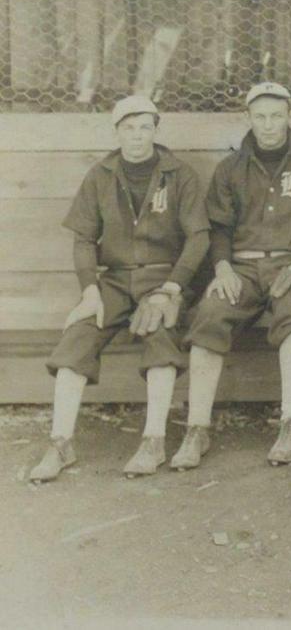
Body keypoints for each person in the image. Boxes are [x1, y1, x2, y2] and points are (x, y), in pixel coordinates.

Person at [30, 95, 209, 482]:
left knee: (160, 335)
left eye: (145, 127)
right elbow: (82, 240)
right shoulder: (100, 174)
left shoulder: (180, 173)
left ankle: (154, 439)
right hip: (113, 280)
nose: (137, 136)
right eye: (129, 128)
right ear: (116, 132)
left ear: (156, 130)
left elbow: (198, 238)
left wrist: (172, 288)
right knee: (78, 335)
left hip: (162, 280)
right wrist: (89, 291)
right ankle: (61, 442)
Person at [171, 82, 291, 470]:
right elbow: (218, 228)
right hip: (241, 266)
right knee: (210, 313)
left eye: (276, 116)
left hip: (290, 265)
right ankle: (197, 427)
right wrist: (221, 267)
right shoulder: (231, 168)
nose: (269, 125)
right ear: (249, 118)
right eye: (261, 116)